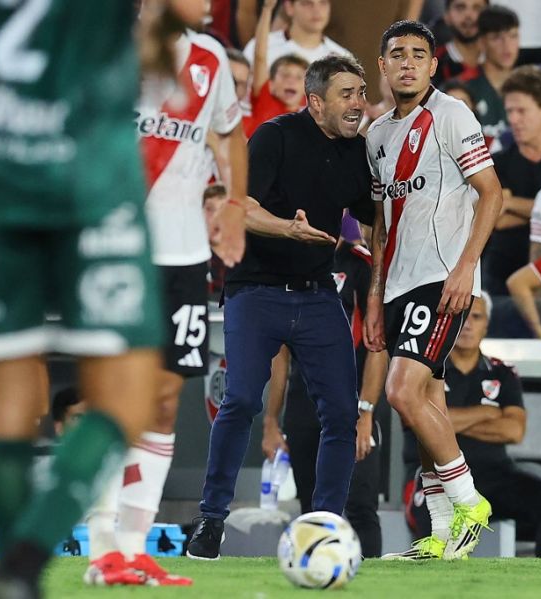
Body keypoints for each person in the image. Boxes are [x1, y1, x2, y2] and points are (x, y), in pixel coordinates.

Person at [0, 1, 215, 595]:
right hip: (89, 191)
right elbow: (179, 13)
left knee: (8, 414)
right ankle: (21, 567)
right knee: (127, 402)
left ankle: (15, 570)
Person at [83, 3, 250, 584]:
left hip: (183, 256)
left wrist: (231, 207)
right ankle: (102, 541)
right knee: (112, 397)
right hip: (114, 248)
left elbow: (232, 137)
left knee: (161, 401)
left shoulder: (209, 59)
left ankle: (132, 547)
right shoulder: (103, 49)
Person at [186, 54, 374, 561]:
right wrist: (286, 227)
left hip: (317, 293)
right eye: (348, 94)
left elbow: (373, 219)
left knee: (341, 413)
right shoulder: (274, 136)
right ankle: (210, 521)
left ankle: (326, 527)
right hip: (256, 289)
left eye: (361, 92)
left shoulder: (359, 151)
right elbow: (239, 205)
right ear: (316, 102)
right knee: (242, 397)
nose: (359, 103)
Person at [364, 20, 504, 561]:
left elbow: (490, 193)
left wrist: (468, 266)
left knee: (401, 391)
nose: (406, 62)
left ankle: (469, 502)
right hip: (398, 280)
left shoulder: (451, 114)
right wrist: (376, 294)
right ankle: (445, 534)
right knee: (425, 401)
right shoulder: (377, 136)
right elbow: (380, 222)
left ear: (432, 64)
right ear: (383, 65)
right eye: (396, 53)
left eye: (417, 54)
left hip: (442, 277)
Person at [398, 294, 541, 558]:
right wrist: (485, 413)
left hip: (495, 473)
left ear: (487, 324)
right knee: (435, 526)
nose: (468, 324)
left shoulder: (502, 371)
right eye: (462, 317)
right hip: (436, 475)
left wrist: (444, 421)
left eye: (477, 317)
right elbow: (414, 419)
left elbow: (514, 431)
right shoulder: (425, 368)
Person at [262, 235, 389, 557]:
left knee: (360, 506)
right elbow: (280, 353)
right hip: (304, 403)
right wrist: (271, 420)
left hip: (354, 399)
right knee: (311, 505)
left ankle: (370, 586)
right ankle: (314, 576)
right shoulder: (289, 265)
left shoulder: (361, 264)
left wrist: (366, 410)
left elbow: (378, 344)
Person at [482, 66, 541, 297]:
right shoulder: (497, 162)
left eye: (522, 111)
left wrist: (512, 203)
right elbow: (498, 220)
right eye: (510, 111)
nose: (513, 119)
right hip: (498, 279)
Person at [241, 0, 309, 138]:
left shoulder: (308, 121)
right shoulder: (265, 98)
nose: (291, 81)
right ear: (271, 84)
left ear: (306, 90)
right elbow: (260, 57)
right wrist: (267, 9)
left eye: (298, 77)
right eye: (284, 75)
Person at [459, 5, 520, 146]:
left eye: (513, 36)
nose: (507, 45)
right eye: (496, 38)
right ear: (481, 43)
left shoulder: (529, 87)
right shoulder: (465, 86)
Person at [243, 0, 351, 68]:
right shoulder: (263, 47)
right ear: (289, 7)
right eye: (307, 3)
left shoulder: (342, 57)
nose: (317, 10)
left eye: (323, 2)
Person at [431, 0, 488, 86]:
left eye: (477, 8)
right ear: (447, 16)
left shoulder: (506, 59)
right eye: (460, 8)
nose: (469, 15)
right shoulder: (431, 64)